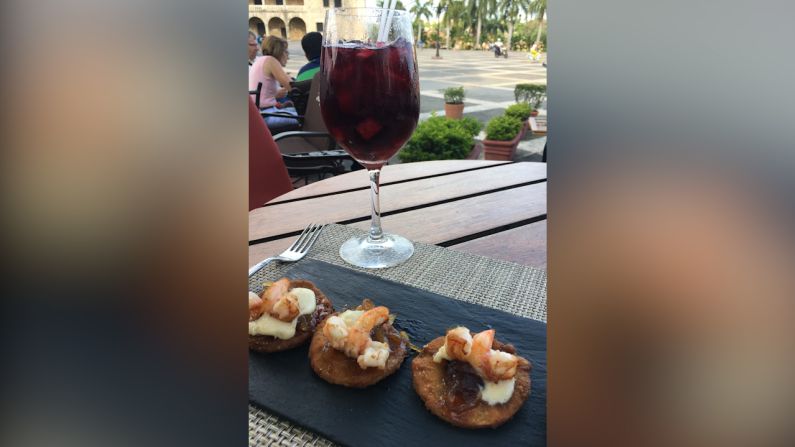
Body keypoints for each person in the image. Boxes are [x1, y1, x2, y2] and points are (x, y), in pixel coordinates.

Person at [249, 36, 299, 128]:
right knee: (308, 116)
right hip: (267, 115)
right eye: (286, 51)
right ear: (279, 52)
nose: (288, 56)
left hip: (262, 114)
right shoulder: (270, 61)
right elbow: (293, 87)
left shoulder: (261, 60)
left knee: (295, 110)